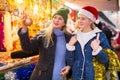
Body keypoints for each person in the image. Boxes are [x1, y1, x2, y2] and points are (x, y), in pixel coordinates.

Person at [18, 7, 71, 80]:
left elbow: (72, 57)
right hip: (43, 76)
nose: (56, 20)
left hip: (61, 76)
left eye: (60, 18)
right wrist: (24, 28)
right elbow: (27, 48)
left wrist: (69, 66)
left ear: (64, 22)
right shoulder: (44, 34)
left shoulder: (68, 37)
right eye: (55, 17)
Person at [62, 6, 111, 80]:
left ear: (91, 21)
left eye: (83, 19)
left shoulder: (100, 36)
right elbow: (70, 62)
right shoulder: (74, 35)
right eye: (79, 18)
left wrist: (97, 50)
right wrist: (70, 46)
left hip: (94, 77)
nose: (79, 21)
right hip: (76, 76)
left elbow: (107, 62)